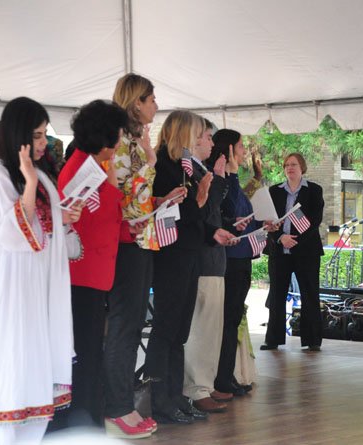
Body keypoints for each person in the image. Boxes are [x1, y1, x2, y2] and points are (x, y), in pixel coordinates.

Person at [0, 97, 81, 444]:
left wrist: (63, 217)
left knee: (33, 371)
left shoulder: (41, 176)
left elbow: (45, 235)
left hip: (37, 288)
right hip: (9, 288)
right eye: (37, 136)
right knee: (9, 370)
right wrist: (27, 185)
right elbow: (13, 235)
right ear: (19, 136)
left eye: (44, 135)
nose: (44, 143)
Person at [145, 110, 234, 425]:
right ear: (185, 134)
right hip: (170, 256)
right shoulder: (164, 167)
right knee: (166, 328)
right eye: (199, 133)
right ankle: (160, 400)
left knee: (180, 330)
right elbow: (174, 213)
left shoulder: (187, 168)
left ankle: (175, 395)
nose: (202, 139)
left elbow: (197, 215)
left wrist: (212, 232)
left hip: (190, 252)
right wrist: (199, 199)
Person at [56, 100, 139, 434]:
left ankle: (90, 420)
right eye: (116, 135)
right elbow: (81, 219)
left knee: (91, 351)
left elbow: (106, 215)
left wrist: (126, 227)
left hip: (96, 273)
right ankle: (82, 423)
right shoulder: (79, 169)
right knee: (84, 354)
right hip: (81, 274)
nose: (119, 142)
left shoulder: (94, 165)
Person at [101, 73, 172, 438]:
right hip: (126, 244)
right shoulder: (119, 139)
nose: (156, 105)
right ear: (136, 102)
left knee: (131, 327)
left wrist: (160, 201)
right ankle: (117, 407)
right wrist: (149, 159)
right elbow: (121, 193)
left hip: (142, 240)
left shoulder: (134, 140)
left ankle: (122, 403)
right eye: (151, 98)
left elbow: (137, 195)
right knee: (124, 327)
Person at [210, 129, 271, 395]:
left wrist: (262, 222)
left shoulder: (235, 180)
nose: (245, 150)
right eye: (241, 145)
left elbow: (245, 214)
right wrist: (233, 174)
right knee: (227, 320)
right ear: (231, 150)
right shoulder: (223, 179)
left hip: (243, 256)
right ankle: (221, 378)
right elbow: (232, 209)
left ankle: (228, 374)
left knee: (234, 318)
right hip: (230, 258)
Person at [182, 119, 232, 412]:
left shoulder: (201, 170)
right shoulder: (191, 170)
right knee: (200, 328)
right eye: (208, 138)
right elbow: (202, 211)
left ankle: (205, 384)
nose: (212, 145)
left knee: (212, 327)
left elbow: (213, 212)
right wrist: (218, 179)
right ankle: (196, 387)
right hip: (201, 259)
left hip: (213, 258)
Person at [262, 153, 324, 351]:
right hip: (279, 251)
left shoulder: (314, 190)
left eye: (294, 164)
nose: (290, 168)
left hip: (306, 251)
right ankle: (273, 339)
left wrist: (294, 241)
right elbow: (268, 221)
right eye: (287, 165)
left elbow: (315, 221)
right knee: (277, 295)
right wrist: (281, 237)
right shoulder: (274, 191)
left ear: (302, 167)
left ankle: (312, 340)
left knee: (309, 294)